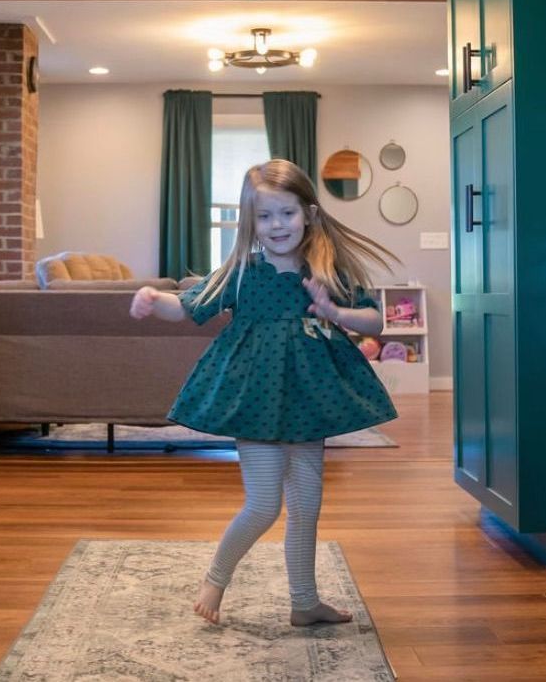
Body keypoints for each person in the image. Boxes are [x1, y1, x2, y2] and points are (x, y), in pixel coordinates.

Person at [130, 158, 399, 627]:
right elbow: (188, 308)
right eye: (265, 216)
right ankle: (215, 580)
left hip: (309, 396)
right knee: (263, 504)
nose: (277, 225)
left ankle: (304, 603)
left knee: (307, 506)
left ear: (309, 214)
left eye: (287, 213)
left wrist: (335, 312)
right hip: (255, 397)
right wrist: (155, 301)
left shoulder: (326, 270)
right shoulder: (242, 272)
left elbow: (374, 321)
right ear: (250, 222)